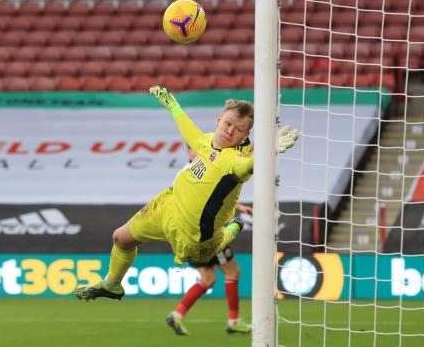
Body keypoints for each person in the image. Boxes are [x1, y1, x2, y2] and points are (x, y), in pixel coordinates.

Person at [74, 85, 299, 301]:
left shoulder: (235, 161)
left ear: (245, 136)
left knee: (209, 249)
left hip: (195, 238)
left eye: (238, 129)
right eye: (228, 123)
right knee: (120, 238)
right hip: (167, 209)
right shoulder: (206, 141)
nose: (230, 131)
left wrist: (268, 152)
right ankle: (112, 284)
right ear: (219, 120)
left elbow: (249, 164)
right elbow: (187, 128)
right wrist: (173, 105)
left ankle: (232, 229)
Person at [165, 147, 253, 335]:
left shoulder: (185, 174)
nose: (199, 152)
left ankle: (177, 314)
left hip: (189, 238)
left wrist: (237, 206)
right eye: (195, 149)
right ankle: (234, 320)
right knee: (232, 272)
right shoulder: (191, 173)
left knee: (208, 279)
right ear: (188, 152)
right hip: (207, 236)